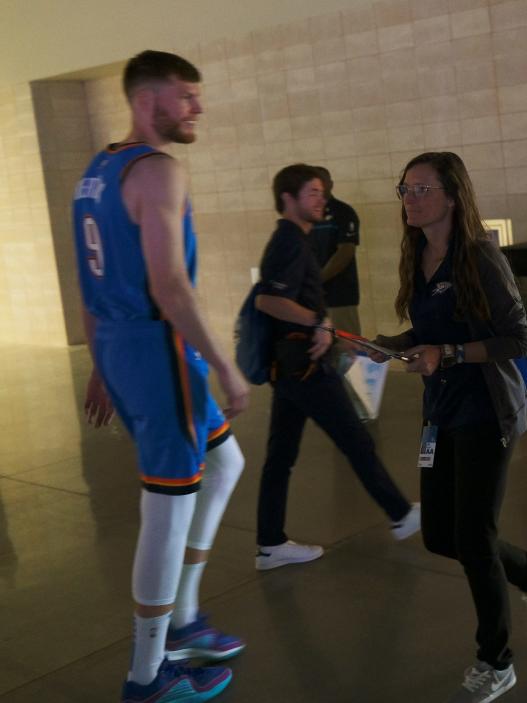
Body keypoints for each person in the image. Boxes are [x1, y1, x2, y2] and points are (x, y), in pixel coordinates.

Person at [73, 50, 248, 703]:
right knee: (166, 510)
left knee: (225, 462)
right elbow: (170, 286)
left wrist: (99, 360)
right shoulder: (159, 171)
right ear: (150, 101)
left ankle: (185, 619)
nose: (197, 108)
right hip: (157, 349)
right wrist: (227, 364)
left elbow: (87, 281)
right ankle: (148, 674)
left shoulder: (95, 172)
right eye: (187, 96)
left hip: (124, 346)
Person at [370, 152, 527, 703]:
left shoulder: (479, 256)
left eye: (421, 189)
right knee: (441, 535)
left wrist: (448, 353)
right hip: (442, 412)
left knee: (474, 537)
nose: (409, 200)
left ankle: (495, 661)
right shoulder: (419, 255)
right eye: (404, 189)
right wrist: (394, 345)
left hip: (486, 410)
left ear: (452, 196)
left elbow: (518, 338)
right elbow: (428, 328)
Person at [253, 163, 420, 571]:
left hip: (291, 366)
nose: (320, 198)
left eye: (321, 192)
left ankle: (270, 544)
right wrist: (318, 322)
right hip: (306, 365)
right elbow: (268, 301)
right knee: (354, 440)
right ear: (288, 200)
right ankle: (400, 513)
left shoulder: (296, 239)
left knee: (281, 456)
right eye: (311, 193)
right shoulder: (290, 242)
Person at [308, 166, 362, 335]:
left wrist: (318, 279)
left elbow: (345, 252)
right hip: (311, 299)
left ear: (330, 184)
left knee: (348, 350)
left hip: (339, 296)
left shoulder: (343, 212)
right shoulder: (306, 215)